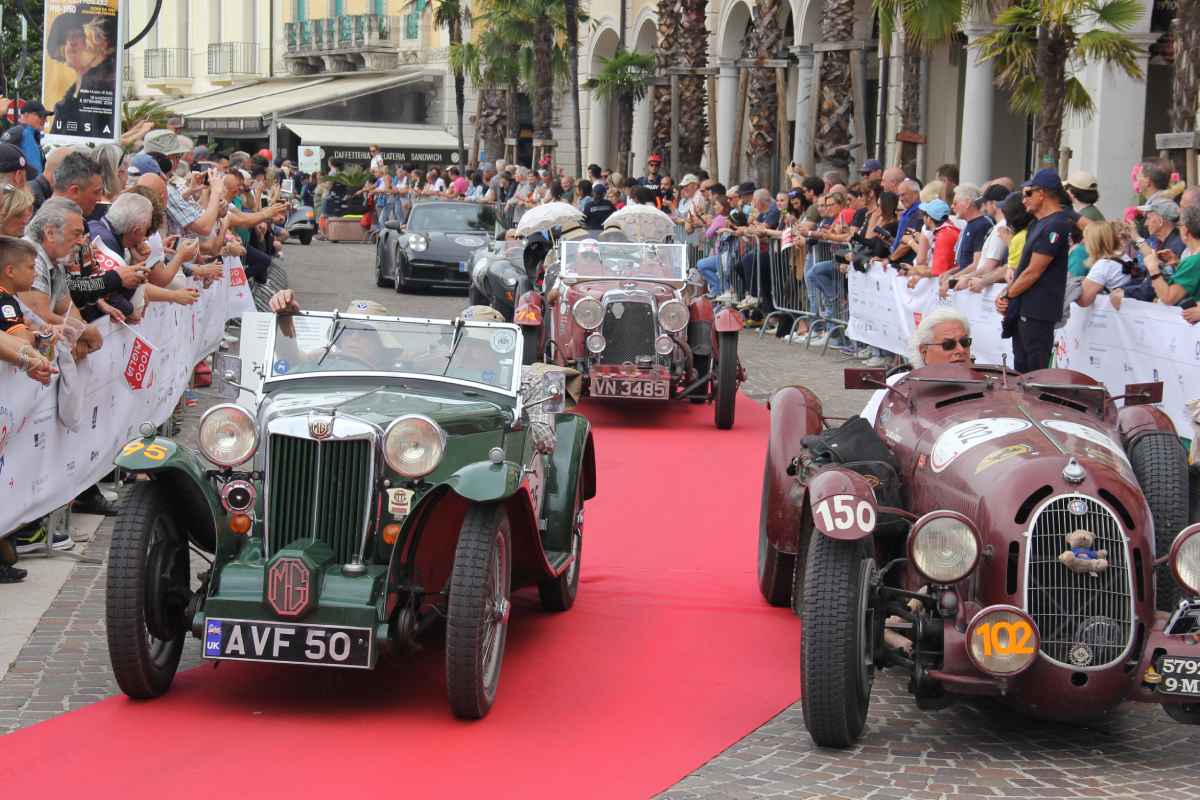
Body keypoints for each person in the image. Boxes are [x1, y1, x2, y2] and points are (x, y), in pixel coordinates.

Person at [996, 169, 1074, 373]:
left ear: (1043, 193)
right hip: (1024, 308)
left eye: (1028, 193)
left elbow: (1034, 271)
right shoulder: (1036, 224)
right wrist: (1007, 295)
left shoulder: (1056, 224)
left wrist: (1008, 293)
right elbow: (1024, 268)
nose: (1024, 200)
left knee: (1035, 374)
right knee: (1020, 370)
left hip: (1038, 311)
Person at [862, 308, 973, 426]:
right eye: (948, 345)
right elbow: (865, 429)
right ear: (924, 352)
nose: (961, 350)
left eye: (965, 342)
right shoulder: (895, 384)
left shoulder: (989, 384)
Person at [45, 8, 118, 138]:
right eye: (67, 37)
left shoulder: (103, 86)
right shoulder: (72, 95)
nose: (71, 43)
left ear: (105, 44)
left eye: (79, 35)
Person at [1136, 205, 1200, 310]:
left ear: (1186, 231)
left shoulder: (1193, 261)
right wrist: (1177, 263)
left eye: (1179, 226)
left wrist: (1153, 269)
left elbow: (1168, 298)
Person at [1075, 221, 1132, 308]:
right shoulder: (1123, 256)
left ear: (1094, 242)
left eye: (1086, 238)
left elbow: (1083, 301)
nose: (1083, 242)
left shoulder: (1104, 265)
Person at [0, 100, 49, 176]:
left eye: (45, 117)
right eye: (41, 116)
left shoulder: (34, 135)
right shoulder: (19, 132)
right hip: (21, 185)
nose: (45, 120)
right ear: (26, 115)